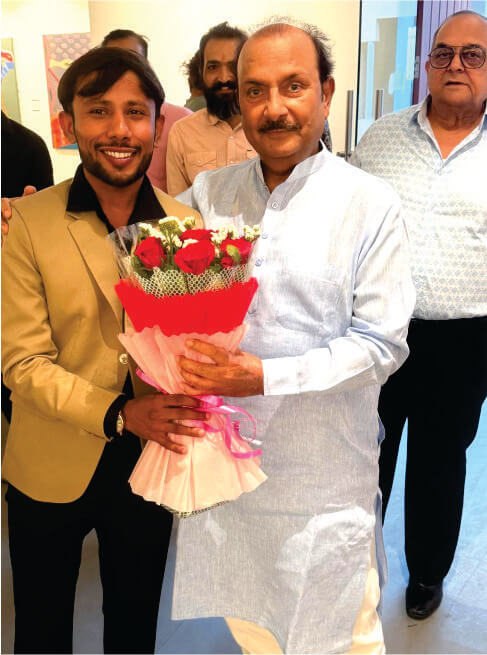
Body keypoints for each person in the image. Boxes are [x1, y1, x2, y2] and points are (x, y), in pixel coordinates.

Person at [171, 18, 415, 654]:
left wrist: (265, 376)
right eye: (255, 90)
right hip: (230, 477)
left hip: (323, 484)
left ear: (326, 93)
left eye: (293, 86)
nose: (273, 107)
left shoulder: (370, 203)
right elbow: (144, 253)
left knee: (342, 640)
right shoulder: (209, 195)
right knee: (255, 635)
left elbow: (382, 345)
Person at [1, 46, 205, 654]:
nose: (119, 130)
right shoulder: (29, 221)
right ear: (69, 124)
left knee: (135, 626)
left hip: (148, 462)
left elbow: (193, 342)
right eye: (98, 110)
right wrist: (119, 412)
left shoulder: (185, 227)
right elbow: (21, 363)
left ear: (158, 127)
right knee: (41, 631)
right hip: (50, 458)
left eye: (135, 112)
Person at [350, 9, 487, 621]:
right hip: (376, 328)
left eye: (472, 55)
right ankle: (352, 567)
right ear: (427, 64)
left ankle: (427, 573)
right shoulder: (380, 138)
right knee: (362, 452)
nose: (456, 65)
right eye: (444, 53)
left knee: (440, 461)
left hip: (465, 339)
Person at [1, 111, 54, 423]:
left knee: (17, 400)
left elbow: (48, 229)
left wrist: (24, 219)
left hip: (15, 296)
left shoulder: (27, 145)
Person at [166, 22, 257, 196]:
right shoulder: (182, 133)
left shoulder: (269, 128)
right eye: (213, 67)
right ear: (201, 72)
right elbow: (177, 206)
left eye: (233, 66)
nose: (224, 78)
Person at [101, 28, 191, 193]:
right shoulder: (96, 122)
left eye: (133, 59)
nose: (123, 70)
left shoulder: (182, 120)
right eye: (113, 62)